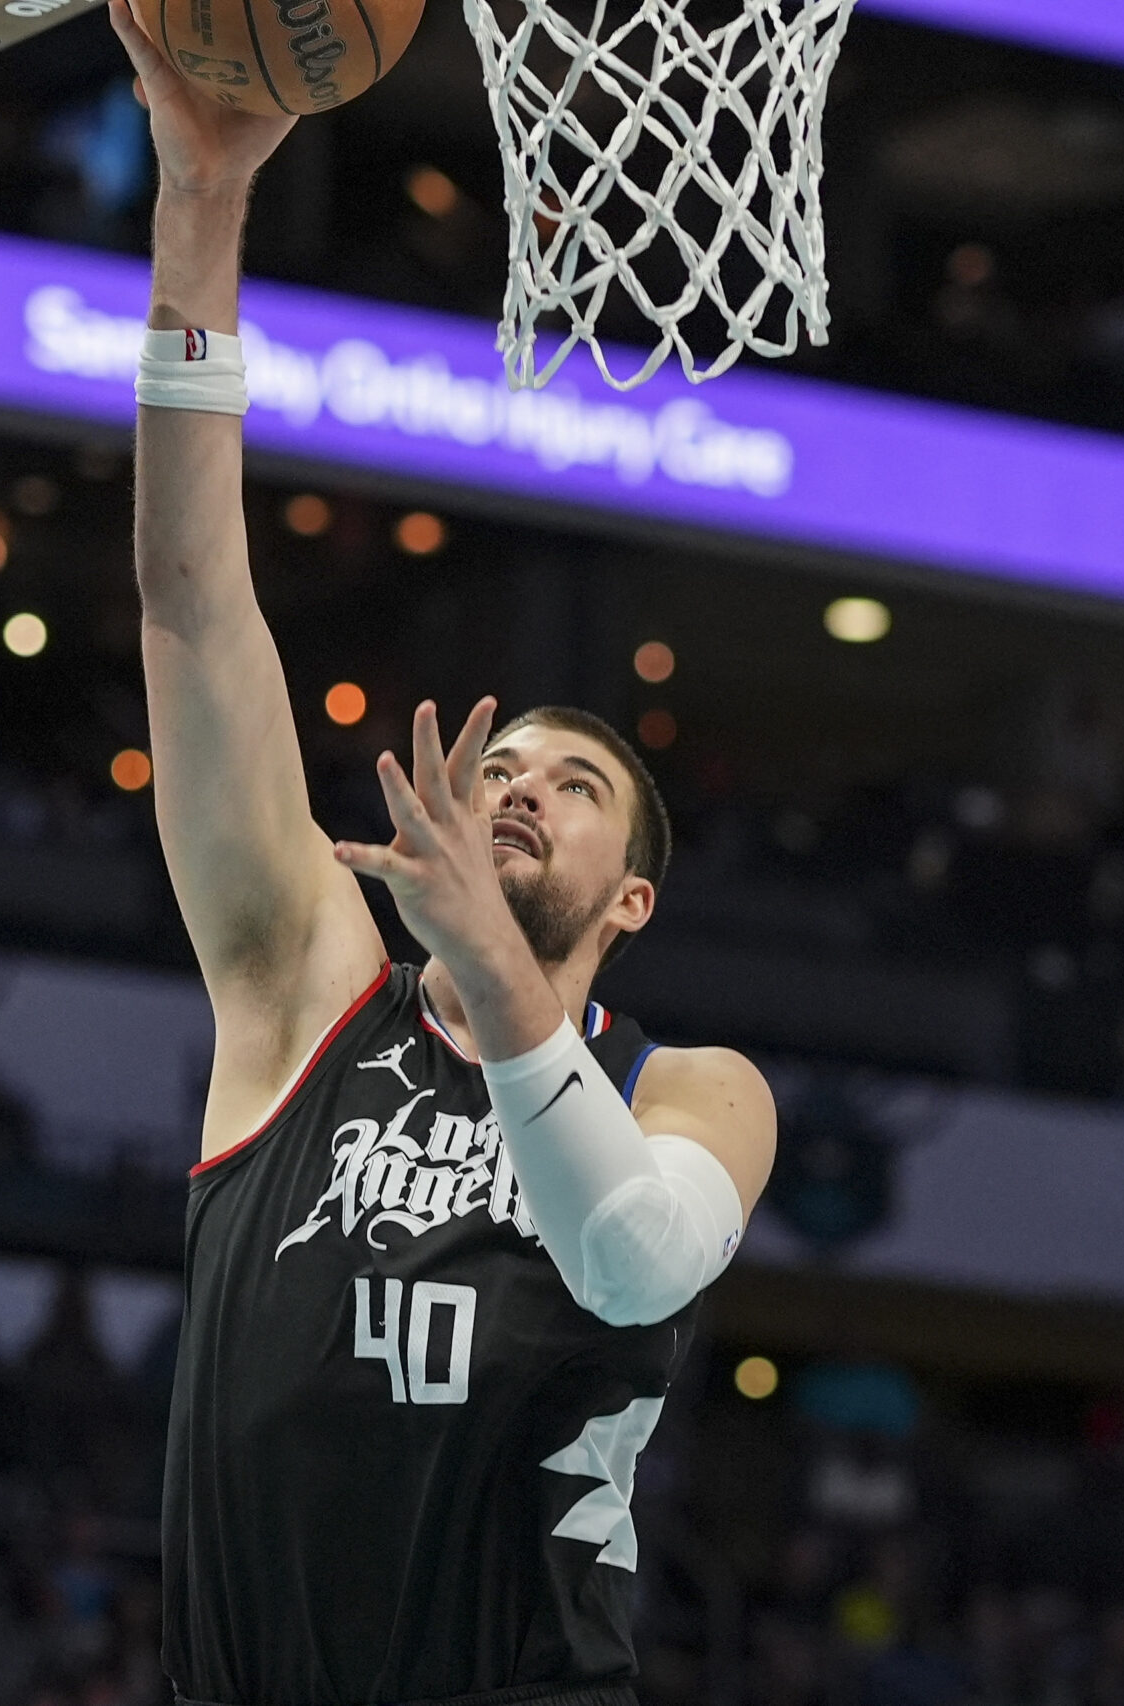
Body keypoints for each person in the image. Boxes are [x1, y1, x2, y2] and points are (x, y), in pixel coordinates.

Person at [102, 6, 780, 1705]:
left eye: (577, 781)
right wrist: (199, 209)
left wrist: (488, 958)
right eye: (506, 762)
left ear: (631, 899)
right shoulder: (302, 996)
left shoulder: (697, 1088)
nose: (523, 783)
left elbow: (627, 1259)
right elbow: (193, 617)